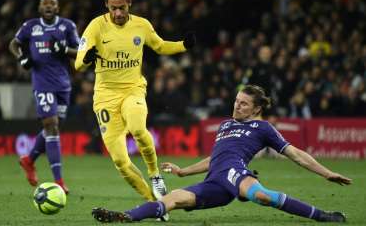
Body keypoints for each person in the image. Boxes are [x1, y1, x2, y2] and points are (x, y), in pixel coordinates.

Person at [91, 85, 352, 223]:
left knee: (262, 196)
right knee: (173, 199)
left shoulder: (262, 128)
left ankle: (322, 216)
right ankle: (126, 216)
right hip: (214, 182)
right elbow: (214, 158)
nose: (236, 105)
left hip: (235, 173)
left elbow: (296, 154)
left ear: (256, 108)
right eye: (236, 100)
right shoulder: (226, 125)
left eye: (243, 103)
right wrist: (184, 171)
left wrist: (327, 173)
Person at [74, 0, 196, 219]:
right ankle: (156, 205)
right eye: (113, 8)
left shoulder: (141, 25)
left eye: (121, 8)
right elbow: (78, 63)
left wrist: (184, 45)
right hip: (105, 98)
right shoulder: (96, 26)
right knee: (120, 160)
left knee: (138, 129)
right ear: (107, 7)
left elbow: (159, 45)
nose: (118, 13)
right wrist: (86, 60)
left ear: (129, 4)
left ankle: (154, 173)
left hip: (133, 90)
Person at [9, 0, 80, 194]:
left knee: (53, 128)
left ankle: (29, 160)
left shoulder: (67, 26)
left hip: (63, 85)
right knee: (52, 126)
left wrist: (65, 49)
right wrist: (21, 57)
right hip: (42, 84)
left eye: (52, 3)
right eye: (45, 3)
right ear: (40, 7)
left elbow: (81, 50)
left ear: (57, 8)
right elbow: (13, 44)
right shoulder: (30, 26)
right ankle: (58, 181)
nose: (48, 6)